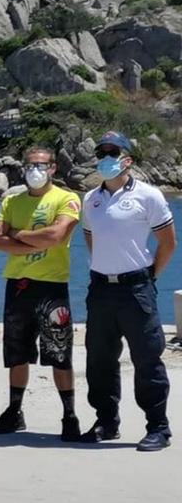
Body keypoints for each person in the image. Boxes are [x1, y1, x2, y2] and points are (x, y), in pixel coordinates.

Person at [80, 131, 176, 451]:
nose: (106, 158)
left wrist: (149, 276)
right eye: (101, 152)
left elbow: (167, 243)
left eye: (112, 152)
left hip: (136, 288)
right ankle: (107, 421)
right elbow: (91, 237)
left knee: (147, 357)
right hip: (100, 289)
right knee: (100, 359)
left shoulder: (148, 196)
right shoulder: (90, 198)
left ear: (127, 159)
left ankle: (158, 427)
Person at [0, 146, 83, 440]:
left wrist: (17, 234)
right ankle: (15, 410)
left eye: (41, 165)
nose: (35, 170)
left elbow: (56, 236)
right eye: (29, 165)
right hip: (17, 285)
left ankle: (69, 415)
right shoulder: (12, 201)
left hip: (51, 286)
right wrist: (36, 241)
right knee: (16, 353)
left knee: (59, 353)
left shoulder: (66, 198)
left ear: (53, 168)